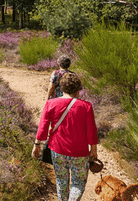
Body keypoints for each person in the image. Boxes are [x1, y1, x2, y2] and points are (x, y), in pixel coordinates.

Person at [32, 72, 98, 201]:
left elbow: (43, 127)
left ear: (61, 88)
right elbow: (91, 130)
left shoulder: (51, 104)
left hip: (57, 151)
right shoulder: (86, 106)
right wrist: (94, 150)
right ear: (79, 89)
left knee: (61, 181)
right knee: (78, 183)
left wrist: (36, 145)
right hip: (80, 152)